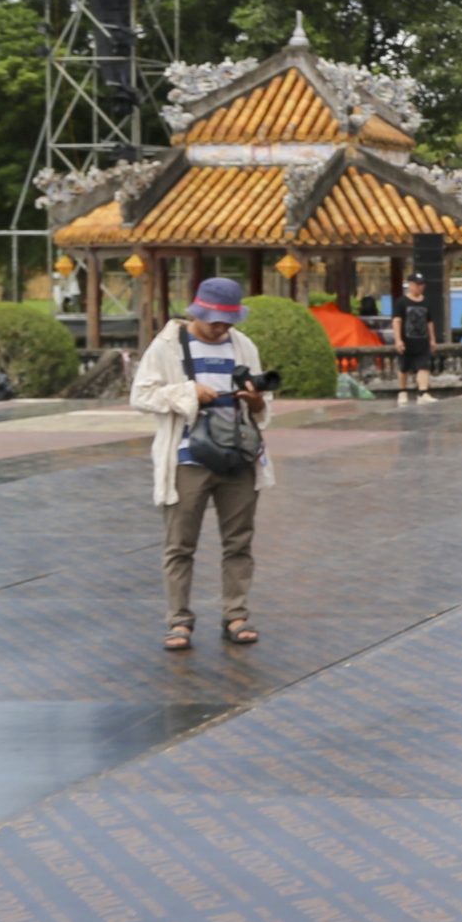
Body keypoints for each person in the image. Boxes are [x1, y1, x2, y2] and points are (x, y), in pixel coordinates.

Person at [131, 277, 274, 651]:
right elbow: (141, 395)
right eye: (214, 320)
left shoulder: (243, 346)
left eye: (228, 321)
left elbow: (262, 411)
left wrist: (256, 401)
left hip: (239, 455)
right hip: (186, 457)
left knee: (239, 541)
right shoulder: (166, 345)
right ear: (197, 311)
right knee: (180, 544)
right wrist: (187, 392)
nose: (221, 328)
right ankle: (179, 620)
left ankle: (236, 614)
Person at [394, 271, 440, 404]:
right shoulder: (401, 302)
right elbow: (397, 321)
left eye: (422, 284)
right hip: (407, 340)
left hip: (422, 340)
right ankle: (402, 392)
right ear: (410, 285)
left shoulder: (426, 302)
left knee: (423, 367)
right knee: (404, 367)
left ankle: (423, 392)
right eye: (418, 284)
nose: (421, 287)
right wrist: (398, 339)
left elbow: (429, 322)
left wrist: (432, 339)